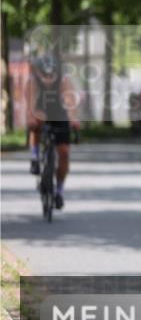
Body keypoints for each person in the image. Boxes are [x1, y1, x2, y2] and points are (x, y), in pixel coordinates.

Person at [26, 55, 81, 209]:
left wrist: (73, 119)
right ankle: (35, 157)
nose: (49, 78)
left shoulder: (64, 81)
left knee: (64, 152)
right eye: (45, 75)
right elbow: (30, 105)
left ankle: (59, 191)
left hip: (59, 114)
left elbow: (70, 103)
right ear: (39, 73)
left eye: (52, 75)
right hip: (40, 111)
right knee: (36, 122)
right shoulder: (33, 81)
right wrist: (31, 119)